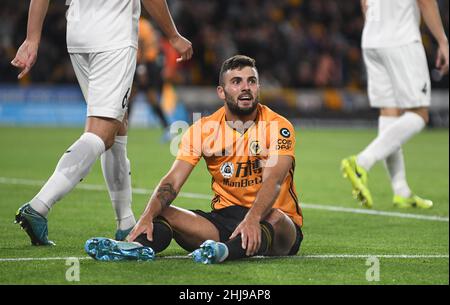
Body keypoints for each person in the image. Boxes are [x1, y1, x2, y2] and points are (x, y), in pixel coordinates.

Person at [85, 55, 304, 263]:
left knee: (274, 218)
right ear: (221, 91)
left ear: (258, 88)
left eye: (252, 81)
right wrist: (147, 216)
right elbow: (172, 181)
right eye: (236, 82)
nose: (246, 87)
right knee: (164, 213)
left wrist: (253, 218)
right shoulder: (203, 130)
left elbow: (273, 181)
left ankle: (225, 252)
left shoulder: (278, 126)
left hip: (277, 223)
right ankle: (135, 247)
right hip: (225, 219)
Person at [11, 0, 193, 246]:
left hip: (77, 35)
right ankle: (39, 207)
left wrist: (32, 38)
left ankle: (125, 222)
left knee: (118, 125)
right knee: (102, 132)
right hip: (113, 35)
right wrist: (173, 35)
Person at [341, 0, 449, 209]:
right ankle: (361, 162)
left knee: (388, 112)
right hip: (401, 40)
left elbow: (364, 4)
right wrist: (443, 41)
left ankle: (401, 191)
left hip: (372, 39)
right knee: (419, 114)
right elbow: (425, 2)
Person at [128, 17, 172, 142]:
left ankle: (123, 130)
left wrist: (141, 68)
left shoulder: (139, 24)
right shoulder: (147, 24)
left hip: (144, 64)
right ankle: (167, 128)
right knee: (146, 97)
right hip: (149, 64)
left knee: (133, 96)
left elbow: (141, 44)